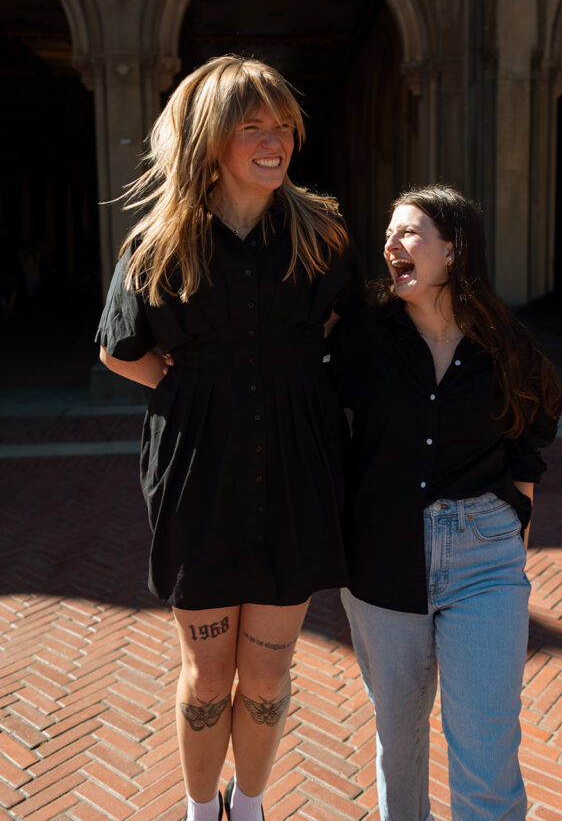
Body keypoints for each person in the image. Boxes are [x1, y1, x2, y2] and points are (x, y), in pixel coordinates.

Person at [97, 55, 360, 821]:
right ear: (212, 140)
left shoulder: (322, 235)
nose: (274, 142)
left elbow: (346, 331)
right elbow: (119, 348)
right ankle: (197, 809)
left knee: (269, 677)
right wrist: (189, 392)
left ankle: (247, 808)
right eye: (253, 127)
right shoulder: (158, 243)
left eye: (282, 127)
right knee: (209, 678)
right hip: (197, 475)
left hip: (295, 472)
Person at [327, 184, 562, 821]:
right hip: (381, 557)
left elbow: (534, 426)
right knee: (398, 750)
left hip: (484, 559)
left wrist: (518, 514)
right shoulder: (362, 337)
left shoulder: (504, 344)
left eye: (409, 233)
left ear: (453, 252)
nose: (391, 244)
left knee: (487, 752)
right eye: (389, 235)